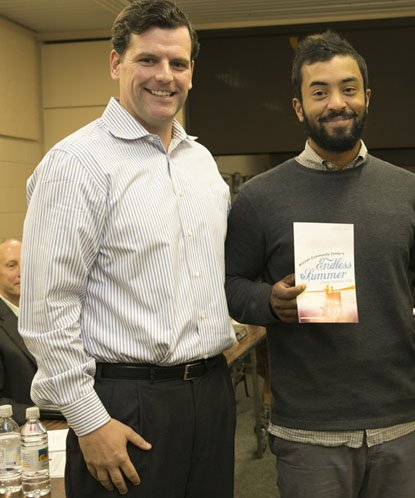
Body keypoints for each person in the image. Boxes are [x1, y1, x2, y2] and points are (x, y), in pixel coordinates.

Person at [19, 1, 236, 496]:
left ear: (192, 72)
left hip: (210, 393)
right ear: (116, 63)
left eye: (178, 63)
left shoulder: (200, 161)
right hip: (126, 402)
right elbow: (46, 311)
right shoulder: (77, 163)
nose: (165, 76)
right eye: (148, 60)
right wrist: (90, 422)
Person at [225, 31, 415, 498]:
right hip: (309, 430)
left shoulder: (409, 190)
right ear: (299, 107)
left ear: (367, 98)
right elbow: (231, 285)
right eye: (319, 92)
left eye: (348, 88)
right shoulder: (260, 197)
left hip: (401, 421)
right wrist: (269, 300)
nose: (336, 103)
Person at [0, 239, 37, 425]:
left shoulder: (47, 314)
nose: (21, 272)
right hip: (20, 429)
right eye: (12, 265)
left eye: (26, 263)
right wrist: (44, 412)